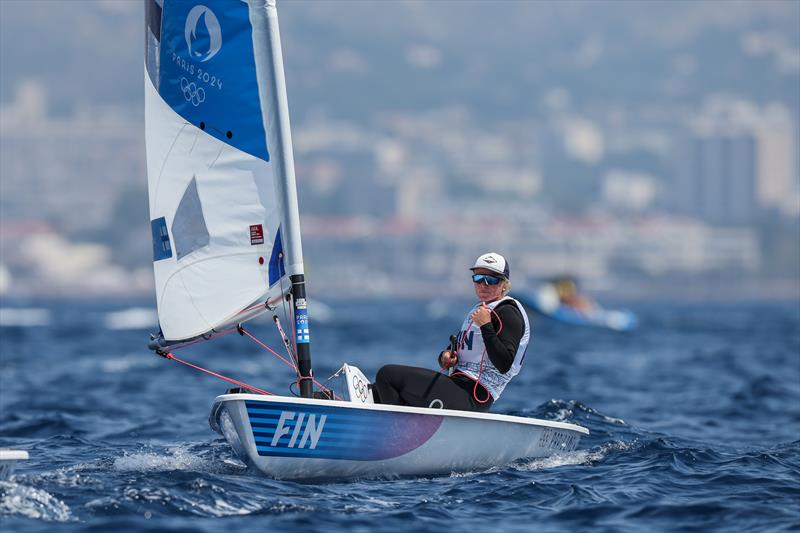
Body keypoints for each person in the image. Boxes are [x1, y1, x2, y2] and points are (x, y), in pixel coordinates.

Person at [372, 252, 530, 412]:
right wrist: (446, 356)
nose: (484, 284)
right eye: (478, 278)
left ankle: (397, 431)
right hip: (458, 385)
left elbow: (504, 364)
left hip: (475, 395)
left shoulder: (508, 312)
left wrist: (486, 325)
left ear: (504, 284)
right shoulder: (480, 310)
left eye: (492, 280)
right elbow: (456, 350)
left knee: (387, 375)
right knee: (378, 390)